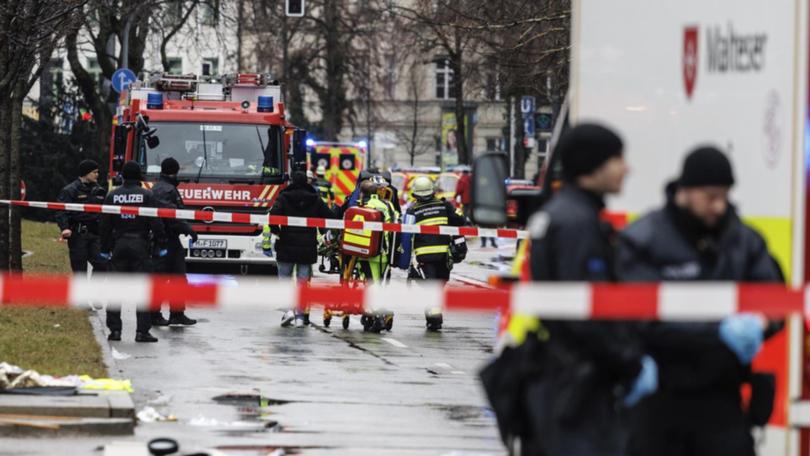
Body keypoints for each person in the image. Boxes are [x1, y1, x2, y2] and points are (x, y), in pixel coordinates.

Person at [616, 146, 782, 456]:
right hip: (659, 399)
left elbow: (774, 297)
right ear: (685, 191)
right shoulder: (644, 239)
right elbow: (638, 315)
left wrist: (762, 320)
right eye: (710, 197)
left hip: (721, 397)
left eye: (724, 196)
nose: (719, 206)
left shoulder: (743, 241)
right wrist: (716, 331)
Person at [513, 124, 656, 456]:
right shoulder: (578, 223)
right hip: (579, 388)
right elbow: (587, 311)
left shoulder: (561, 213)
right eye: (617, 159)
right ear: (594, 165)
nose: (627, 168)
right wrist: (630, 363)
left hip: (561, 380)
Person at [100, 161, 168, 343]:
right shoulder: (147, 195)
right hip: (140, 245)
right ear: (139, 176)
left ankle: (115, 331)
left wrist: (104, 249)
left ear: (122, 175)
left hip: (119, 244)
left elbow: (105, 225)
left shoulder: (112, 196)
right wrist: (162, 244)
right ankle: (142, 332)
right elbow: (156, 222)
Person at [266, 171, 336, 327]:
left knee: (284, 279)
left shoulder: (284, 197)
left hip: (286, 245)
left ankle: (288, 311)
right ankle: (299, 316)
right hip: (307, 247)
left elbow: (273, 216)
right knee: (303, 284)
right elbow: (329, 216)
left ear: (292, 181)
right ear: (307, 182)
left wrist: (276, 231)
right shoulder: (315, 199)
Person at [406, 175, 466, 331]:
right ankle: (435, 317)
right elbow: (460, 222)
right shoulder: (444, 206)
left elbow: (405, 235)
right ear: (432, 191)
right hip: (444, 256)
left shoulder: (412, 210)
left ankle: (434, 318)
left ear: (416, 194)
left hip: (424, 257)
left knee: (430, 287)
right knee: (438, 286)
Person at [150, 157, 198, 327]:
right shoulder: (168, 190)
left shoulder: (158, 187)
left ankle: (174, 314)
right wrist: (189, 231)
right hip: (166, 239)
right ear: (174, 171)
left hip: (165, 239)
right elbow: (172, 217)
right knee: (169, 278)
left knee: (170, 278)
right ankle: (158, 314)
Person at [56, 160, 107, 274]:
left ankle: (94, 291)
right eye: (94, 172)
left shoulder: (99, 190)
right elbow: (61, 210)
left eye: (97, 172)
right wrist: (64, 227)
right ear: (86, 173)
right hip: (78, 236)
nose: (97, 175)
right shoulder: (70, 190)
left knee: (103, 265)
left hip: (95, 234)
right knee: (80, 271)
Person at [355, 179, 398, 283]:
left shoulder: (358, 204)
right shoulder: (388, 205)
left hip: (363, 253)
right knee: (379, 283)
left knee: (371, 284)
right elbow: (395, 222)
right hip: (383, 253)